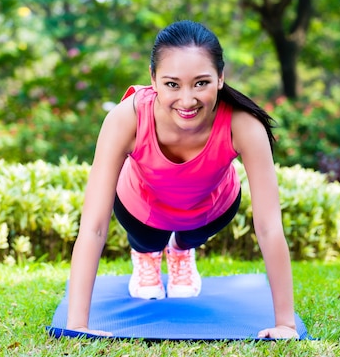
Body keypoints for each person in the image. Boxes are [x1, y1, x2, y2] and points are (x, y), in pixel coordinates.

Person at [66, 20, 298, 339]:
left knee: (187, 238)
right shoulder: (126, 118)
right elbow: (93, 227)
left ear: (220, 77)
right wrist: (78, 325)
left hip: (211, 209)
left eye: (201, 83)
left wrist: (285, 324)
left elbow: (270, 226)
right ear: (153, 80)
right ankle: (147, 255)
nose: (187, 100)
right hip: (141, 208)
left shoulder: (243, 124)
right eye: (172, 84)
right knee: (150, 241)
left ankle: (181, 251)